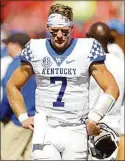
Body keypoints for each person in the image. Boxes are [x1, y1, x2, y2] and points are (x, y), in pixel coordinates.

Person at [6, 4, 119, 160]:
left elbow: (111, 87)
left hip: (75, 128)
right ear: (48, 27)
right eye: (54, 30)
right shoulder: (35, 48)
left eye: (64, 31)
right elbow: (12, 85)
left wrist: (95, 116)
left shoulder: (87, 48)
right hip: (45, 128)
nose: (59, 35)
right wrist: (23, 117)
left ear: (71, 28)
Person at [1, 33, 36, 160]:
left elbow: (8, 93)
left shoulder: (16, 64)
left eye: (8, 44)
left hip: (17, 120)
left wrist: (2, 115)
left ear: (16, 45)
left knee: (8, 156)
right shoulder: (34, 62)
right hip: (35, 119)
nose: (6, 48)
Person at [86, 22, 124, 132]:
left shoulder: (88, 65)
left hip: (92, 126)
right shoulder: (121, 64)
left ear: (89, 38)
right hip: (115, 127)